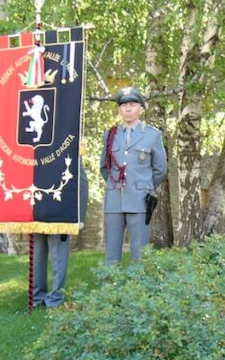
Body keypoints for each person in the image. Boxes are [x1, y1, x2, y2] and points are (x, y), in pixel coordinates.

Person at [100, 87, 168, 264]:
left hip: (140, 199)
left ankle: (138, 290)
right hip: (114, 200)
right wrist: (114, 184)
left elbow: (160, 169)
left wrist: (143, 185)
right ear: (119, 110)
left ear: (141, 109)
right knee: (111, 254)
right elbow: (104, 167)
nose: (128, 109)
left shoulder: (152, 135)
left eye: (132, 104)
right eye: (124, 105)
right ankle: (109, 289)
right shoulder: (110, 135)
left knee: (139, 253)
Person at [31, 160, 89, 308]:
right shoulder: (38, 151)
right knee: (37, 258)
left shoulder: (67, 145)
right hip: (38, 212)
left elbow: (81, 183)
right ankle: (37, 297)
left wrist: (78, 217)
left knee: (59, 259)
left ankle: (55, 298)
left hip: (61, 214)